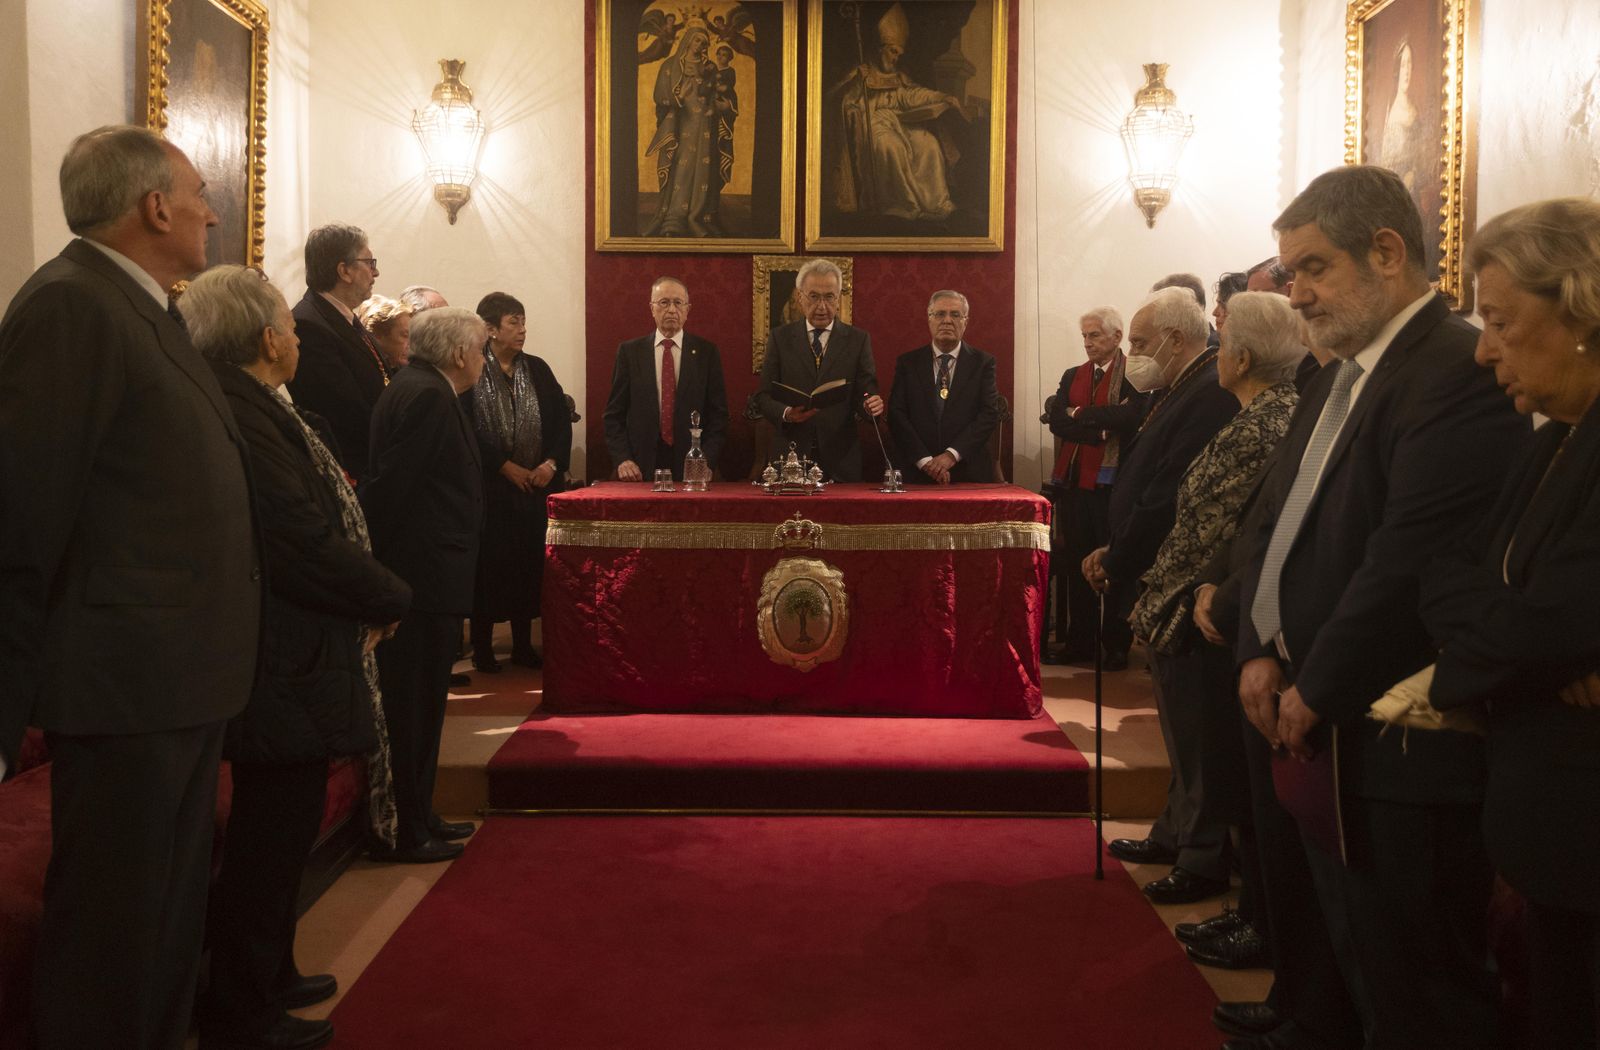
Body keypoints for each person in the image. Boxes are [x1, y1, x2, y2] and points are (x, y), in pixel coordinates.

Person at [1233, 165, 1528, 1050]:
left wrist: (1315, 686)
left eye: (1313, 269)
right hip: (1319, 712)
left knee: (1421, 988)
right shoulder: (1337, 377)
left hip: (1398, 736)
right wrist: (1258, 643)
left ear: (1387, 253)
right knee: (1361, 958)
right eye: (1289, 275)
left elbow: (1405, 562)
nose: (1299, 296)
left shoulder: (1454, 368)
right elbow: (1277, 519)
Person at [0, 125, 260, 1050]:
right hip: (123, 685)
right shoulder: (72, 306)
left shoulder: (141, 305)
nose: (210, 209)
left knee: (161, 922)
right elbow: (23, 519)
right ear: (153, 205)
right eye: (197, 193)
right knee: (112, 933)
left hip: (175, 680)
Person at [183, 266, 411, 1050]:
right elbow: (300, 539)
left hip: (298, 653)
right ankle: (243, 1012)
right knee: (267, 840)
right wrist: (388, 595)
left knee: (281, 836)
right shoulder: (241, 412)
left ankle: (272, 972)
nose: (297, 336)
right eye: (288, 321)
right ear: (264, 338)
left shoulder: (254, 401)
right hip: (280, 656)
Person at [1420, 197, 1600, 1049]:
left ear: (1580, 308)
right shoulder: (1551, 437)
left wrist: (1508, 647)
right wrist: (1523, 646)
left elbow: (1543, 628)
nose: (1484, 348)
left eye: (1499, 320)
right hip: (1547, 813)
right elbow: (1446, 572)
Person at [1126, 292, 1302, 975]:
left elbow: (1221, 527)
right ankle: (1240, 900)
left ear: (1243, 356)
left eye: (1223, 338)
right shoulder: (1248, 412)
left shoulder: (1266, 422)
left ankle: (1235, 896)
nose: (1216, 348)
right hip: (1188, 601)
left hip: (1211, 613)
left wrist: (1184, 593)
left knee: (1219, 763)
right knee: (1200, 752)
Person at [1086, 286, 1239, 897]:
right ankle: (1174, 829)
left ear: (1177, 341)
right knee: (1178, 721)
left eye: (1143, 344)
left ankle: (1201, 856)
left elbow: (1169, 494)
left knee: (1198, 727)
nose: (1134, 355)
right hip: (1158, 577)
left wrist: (1121, 558)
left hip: (1178, 579)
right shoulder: (1179, 386)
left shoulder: (1206, 395)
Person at [362, 307, 488, 864]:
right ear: (460, 353)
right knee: (412, 706)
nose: (484, 358)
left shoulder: (426, 387)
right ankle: (408, 829)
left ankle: (422, 811)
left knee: (426, 703)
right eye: (482, 348)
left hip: (432, 571)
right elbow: (392, 490)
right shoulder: (427, 395)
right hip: (421, 576)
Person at [466, 292, 572, 673]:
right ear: (490, 329)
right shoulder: (473, 369)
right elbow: (467, 430)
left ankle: (524, 646)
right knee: (489, 569)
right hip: (492, 490)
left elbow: (561, 421)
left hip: (534, 486)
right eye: (514, 322)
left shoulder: (538, 370)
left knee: (529, 567)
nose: (522, 329)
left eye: (523, 321)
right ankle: (482, 648)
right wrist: (503, 466)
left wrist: (550, 463)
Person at [1045, 308, 1144, 665]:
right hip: (1074, 485)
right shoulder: (1072, 375)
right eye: (1084, 336)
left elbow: (1132, 417)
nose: (1087, 343)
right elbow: (1057, 421)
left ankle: (1116, 644)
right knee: (1076, 561)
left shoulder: (1134, 375)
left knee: (1113, 562)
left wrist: (1080, 414)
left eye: (1095, 336)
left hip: (1114, 485)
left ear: (1117, 337)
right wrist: (1101, 428)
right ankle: (1081, 642)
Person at [754, 257, 885, 481]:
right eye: (814, 296)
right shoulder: (780, 338)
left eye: (829, 297)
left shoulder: (857, 340)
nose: (821, 306)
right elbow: (763, 397)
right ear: (800, 298)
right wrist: (787, 413)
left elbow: (866, 390)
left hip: (841, 459)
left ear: (838, 299)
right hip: (790, 456)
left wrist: (870, 403)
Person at [830, 2, 962, 223]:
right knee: (890, 146)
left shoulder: (899, 77)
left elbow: (913, 95)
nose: (895, 58)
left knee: (928, 143)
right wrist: (855, 84)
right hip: (871, 124)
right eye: (893, 51)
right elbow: (839, 102)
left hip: (899, 122)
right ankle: (902, 205)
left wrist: (942, 98)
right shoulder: (861, 73)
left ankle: (937, 204)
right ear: (880, 48)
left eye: (899, 53)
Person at [287, 224, 387, 481]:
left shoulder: (341, 316)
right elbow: (344, 413)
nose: (375, 272)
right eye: (369, 262)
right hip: (352, 469)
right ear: (344, 271)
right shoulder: (310, 324)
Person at [603, 276, 728, 481]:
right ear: (652, 308)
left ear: (688, 309)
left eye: (678, 303)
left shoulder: (707, 353)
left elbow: (719, 417)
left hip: (691, 465)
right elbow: (613, 415)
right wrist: (623, 459)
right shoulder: (629, 352)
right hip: (639, 466)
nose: (671, 310)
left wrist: (706, 460)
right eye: (664, 303)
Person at [887, 289, 999, 484]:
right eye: (940, 314)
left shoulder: (983, 363)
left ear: (966, 321)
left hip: (968, 470)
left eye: (955, 314)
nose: (947, 320)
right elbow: (896, 414)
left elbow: (989, 414)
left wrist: (950, 456)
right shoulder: (908, 363)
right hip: (916, 470)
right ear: (929, 319)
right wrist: (926, 462)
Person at [641, 27, 724, 237]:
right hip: (681, 123)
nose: (701, 46)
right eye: (697, 41)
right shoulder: (670, 66)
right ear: (688, 41)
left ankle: (697, 215)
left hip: (705, 123)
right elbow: (660, 95)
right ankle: (673, 218)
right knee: (682, 166)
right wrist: (678, 97)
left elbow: (715, 91)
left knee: (702, 167)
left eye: (704, 43)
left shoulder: (710, 67)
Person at [358, 294, 414, 372]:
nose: (412, 344)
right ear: (378, 335)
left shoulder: (405, 371)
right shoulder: (364, 369)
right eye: (405, 336)